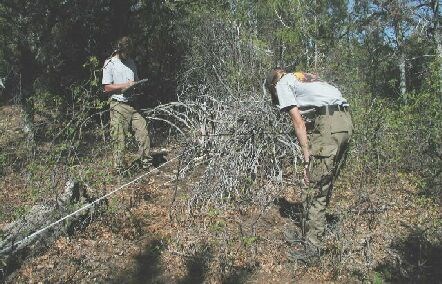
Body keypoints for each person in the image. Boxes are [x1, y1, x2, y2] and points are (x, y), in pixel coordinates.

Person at [266, 67, 353, 259]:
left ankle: (312, 249)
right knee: (321, 182)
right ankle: (307, 233)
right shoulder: (301, 77)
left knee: (315, 186)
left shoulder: (281, 84)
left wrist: (306, 155)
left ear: (272, 85)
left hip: (329, 125)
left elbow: (298, 122)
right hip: (344, 122)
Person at [102, 36, 152, 173]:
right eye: (125, 51)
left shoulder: (131, 62)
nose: (128, 54)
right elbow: (106, 87)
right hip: (118, 104)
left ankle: (146, 164)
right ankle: (119, 169)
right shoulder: (110, 63)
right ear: (119, 49)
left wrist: (137, 86)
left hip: (133, 104)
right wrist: (125, 85)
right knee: (119, 137)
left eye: (129, 51)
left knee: (143, 132)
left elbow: (135, 81)